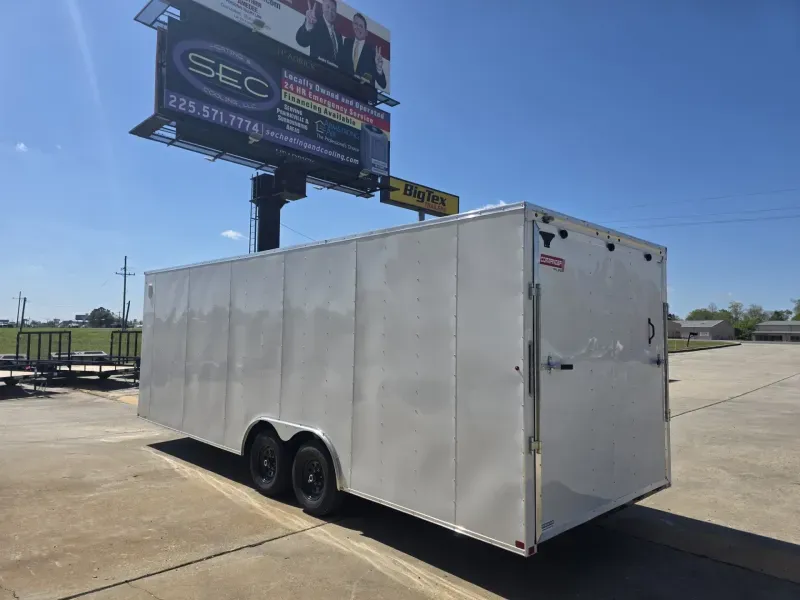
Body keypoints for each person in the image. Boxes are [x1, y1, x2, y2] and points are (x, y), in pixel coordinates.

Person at [340, 12, 386, 90]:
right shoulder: (347, 42)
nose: (358, 28)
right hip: (343, 91)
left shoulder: (372, 52)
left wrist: (379, 69)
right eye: (356, 24)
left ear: (366, 32)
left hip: (363, 96)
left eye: (361, 26)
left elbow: (383, 84)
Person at [295, 0, 343, 67]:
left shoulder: (338, 35)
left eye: (333, 10)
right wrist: (309, 25)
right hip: (315, 69)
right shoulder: (315, 22)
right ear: (322, 8)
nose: (330, 11)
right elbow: (302, 41)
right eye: (328, 7)